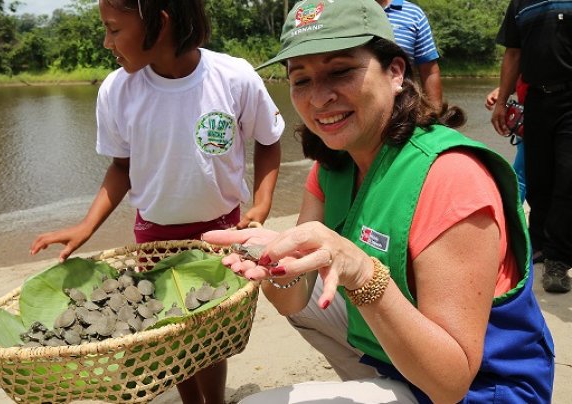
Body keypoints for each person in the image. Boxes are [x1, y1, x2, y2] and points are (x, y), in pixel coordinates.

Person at [202, 0, 554, 402]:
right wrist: (275, 265)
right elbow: (294, 301)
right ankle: (382, 382)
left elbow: (451, 384)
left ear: (396, 71)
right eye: (301, 80)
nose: (318, 99)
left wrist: (362, 273)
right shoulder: (332, 164)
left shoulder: (452, 177)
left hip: (481, 386)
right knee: (311, 283)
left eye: (340, 71)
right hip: (412, 360)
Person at [29, 0, 284, 402]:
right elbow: (120, 168)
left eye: (114, 29)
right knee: (172, 330)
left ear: (158, 25)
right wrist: (86, 226)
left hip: (222, 231)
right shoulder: (118, 90)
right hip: (154, 236)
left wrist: (262, 204)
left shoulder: (233, 77)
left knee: (210, 330)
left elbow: (268, 140)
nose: (106, 41)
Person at [492, 0, 572, 294]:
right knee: (539, 177)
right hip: (536, 100)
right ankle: (537, 245)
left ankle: (558, 258)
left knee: (568, 176)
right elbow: (513, 54)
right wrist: (501, 101)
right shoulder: (521, 4)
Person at [375, 0, 443, 111]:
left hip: (403, 110)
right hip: (357, 107)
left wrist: (435, 115)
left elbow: (429, 70)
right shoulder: (346, 11)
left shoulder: (414, 14)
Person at [485, 77, 528, 203]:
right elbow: (526, 69)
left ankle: (511, 218)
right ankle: (512, 217)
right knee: (520, 176)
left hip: (557, 116)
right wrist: (504, 91)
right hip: (528, 120)